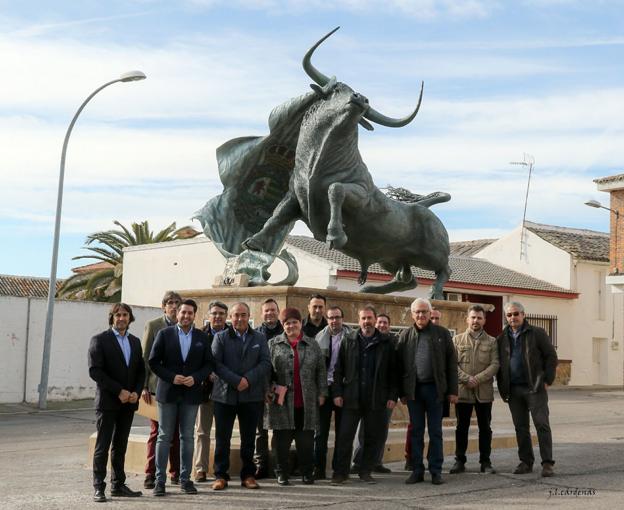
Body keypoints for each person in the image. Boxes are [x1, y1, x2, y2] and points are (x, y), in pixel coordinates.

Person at [149, 299, 215, 497]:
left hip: (191, 395)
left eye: (190, 313)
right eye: (183, 312)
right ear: (177, 314)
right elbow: (153, 361)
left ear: (195, 315)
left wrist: (196, 378)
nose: (186, 316)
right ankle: (160, 481)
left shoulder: (202, 337)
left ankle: (186, 480)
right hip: (168, 393)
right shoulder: (164, 334)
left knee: (187, 437)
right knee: (164, 436)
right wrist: (172, 377)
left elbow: (208, 364)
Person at [331, 305, 397, 485]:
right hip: (351, 397)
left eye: (369, 318)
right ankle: (340, 472)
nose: (367, 322)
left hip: (376, 398)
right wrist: (337, 392)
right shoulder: (349, 340)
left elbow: (394, 372)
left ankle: (365, 471)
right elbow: (338, 369)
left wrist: (392, 396)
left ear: (375, 320)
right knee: (345, 437)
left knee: (372, 437)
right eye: (363, 318)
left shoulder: (387, 342)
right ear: (359, 320)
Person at [397, 298, 458, 485]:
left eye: (424, 312)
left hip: (435, 390)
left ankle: (436, 471)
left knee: (435, 432)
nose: (421, 315)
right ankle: (417, 470)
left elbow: (451, 364)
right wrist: (402, 393)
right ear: (412, 314)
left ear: (430, 313)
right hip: (414, 391)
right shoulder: (405, 335)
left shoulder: (442, 333)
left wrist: (453, 390)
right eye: (417, 312)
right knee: (416, 431)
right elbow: (398, 366)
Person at [211, 302, 271, 490]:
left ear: (249, 316)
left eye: (243, 315)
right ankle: (221, 475)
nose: (239, 318)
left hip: (251, 396)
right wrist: (236, 380)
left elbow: (265, 363)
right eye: (236, 315)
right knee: (222, 438)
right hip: (224, 396)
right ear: (231, 317)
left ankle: (248, 475)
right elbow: (216, 364)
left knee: (248, 439)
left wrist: (248, 379)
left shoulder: (259, 338)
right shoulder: (221, 338)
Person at [88, 303, 145, 502]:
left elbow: (140, 371)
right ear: (111, 317)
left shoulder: (136, 342)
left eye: (125, 315)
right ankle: (98, 487)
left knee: (120, 445)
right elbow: (95, 371)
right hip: (108, 402)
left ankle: (118, 484)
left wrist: (136, 392)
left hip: (128, 403)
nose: (121, 318)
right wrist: (118, 391)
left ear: (130, 318)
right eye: (118, 315)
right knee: (103, 445)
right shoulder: (100, 340)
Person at [266, 307, 327, 486]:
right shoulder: (273, 344)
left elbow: (321, 370)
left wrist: (323, 392)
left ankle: (307, 473)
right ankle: (282, 473)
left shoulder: (312, 344)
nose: (291, 325)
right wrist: (268, 389)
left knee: (306, 441)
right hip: (281, 401)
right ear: (283, 325)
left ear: (301, 323)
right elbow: (266, 370)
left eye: (294, 322)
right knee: (281, 441)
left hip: (306, 401)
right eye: (287, 323)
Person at [497, 301, 558, 477]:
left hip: (535, 388)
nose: (513, 317)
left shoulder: (537, 333)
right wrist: (503, 387)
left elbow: (551, 356)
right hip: (514, 390)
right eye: (509, 315)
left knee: (542, 425)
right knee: (520, 427)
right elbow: (499, 364)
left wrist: (547, 379)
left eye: (516, 314)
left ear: (523, 315)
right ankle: (526, 462)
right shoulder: (501, 338)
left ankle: (547, 463)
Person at [450, 305, 499, 475]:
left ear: (484, 320)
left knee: (485, 428)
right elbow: (451, 365)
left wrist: (477, 379)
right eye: (473, 317)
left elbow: (495, 365)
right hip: (463, 392)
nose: (475, 320)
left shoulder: (492, 342)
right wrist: (466, 378)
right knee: (461, 428)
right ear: (467, 319)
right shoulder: (457, 340)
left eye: (479, 317)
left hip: (483, 393)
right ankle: (459, 461)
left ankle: (485, 462)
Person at [141, 291, 182, 489]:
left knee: (176, 433)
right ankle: (150, 474)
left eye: (177, 303)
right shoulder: (154, 326)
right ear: (163, 306)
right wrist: (143, 386)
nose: (174, 306)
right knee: (157, 432)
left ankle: (175, 472)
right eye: (170, 303)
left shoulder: (186, 326)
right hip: (156, 388)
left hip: (180, 389)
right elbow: (145, 357)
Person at [351, 313, 395, 474]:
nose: (382, 325)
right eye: (380, 322)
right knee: (363, 431)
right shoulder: (364, 340)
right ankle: (358, 461)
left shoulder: (391, 342)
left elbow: (394, 371)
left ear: (389, 326)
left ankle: (376, 460)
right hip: (364, 394)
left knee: (381, 430)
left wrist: (392, 395)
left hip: (384, 395)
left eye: (385, 323)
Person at [313, 306, 352, 480]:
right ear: (326, 319)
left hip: (343, 390)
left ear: (342, 318)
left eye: (337, 317)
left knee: (343, 433)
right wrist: (319, 391)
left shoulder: (352, 338)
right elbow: (314, 368)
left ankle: (340, 470)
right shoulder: (319, 338)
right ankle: (319, 470)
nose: (334, 321)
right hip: (324, 389)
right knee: (320, 433)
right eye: (331, 318)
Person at [193, 300, 228, 483]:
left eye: (221, 313)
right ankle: (200, 468)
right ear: (208, 316)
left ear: (226, 316)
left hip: (226, 392)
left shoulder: (232, 334)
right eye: (214, 313)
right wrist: (206, 375)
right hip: (204, 391)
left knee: (223, 433)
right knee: (202, 432)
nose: (218, 317)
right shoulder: (199, 335)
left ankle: (221, 470)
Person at [254, 298, 284, 479]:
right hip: (259, 389)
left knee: (279, 429)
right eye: (266, 311)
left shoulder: (286, 331)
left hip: (281, 388)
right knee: (260, 430)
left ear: (278, 312)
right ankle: (261, 465)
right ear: (262, 313)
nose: (269, 313)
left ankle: (277, 465)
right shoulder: (256, 333)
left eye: (273, 310)